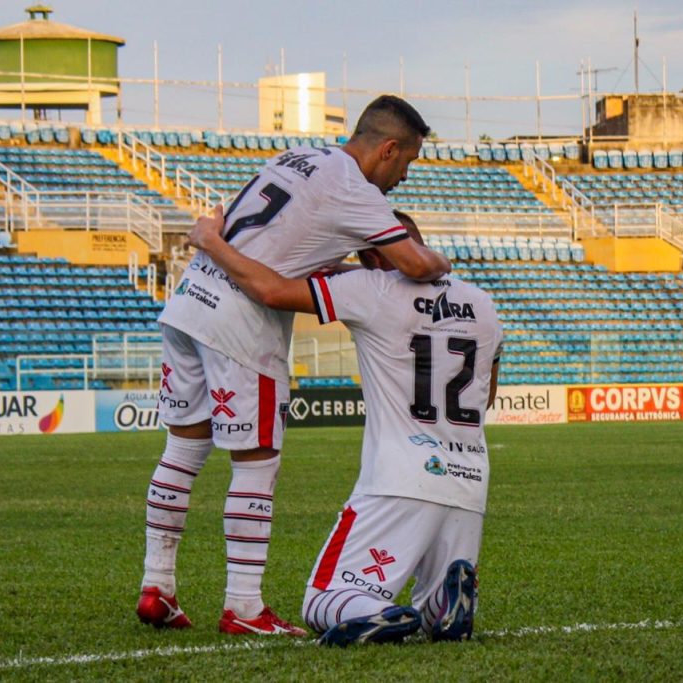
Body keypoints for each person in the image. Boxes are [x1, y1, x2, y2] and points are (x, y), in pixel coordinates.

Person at [137, 95, 451, 636]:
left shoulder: (296, 156)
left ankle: (157, 586)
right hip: (241, 319)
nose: (405, 175)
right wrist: (447, 262)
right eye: (408, 162)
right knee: (257, 462)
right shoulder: (356, 188)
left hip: (190, 300)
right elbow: (416, 263)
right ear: (389, 149)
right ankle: (243, 606)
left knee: (183, 448)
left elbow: (292, 236)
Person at [186, 207, 501, 646]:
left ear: (371, 256)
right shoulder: (483, 304)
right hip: (470, 479)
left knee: (322, 600)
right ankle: (442, 606)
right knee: (433, 616)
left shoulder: (369, 290)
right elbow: (485, 396)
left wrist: (212, 243)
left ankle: (375, 612)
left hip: (399, 476)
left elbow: (272, 291)